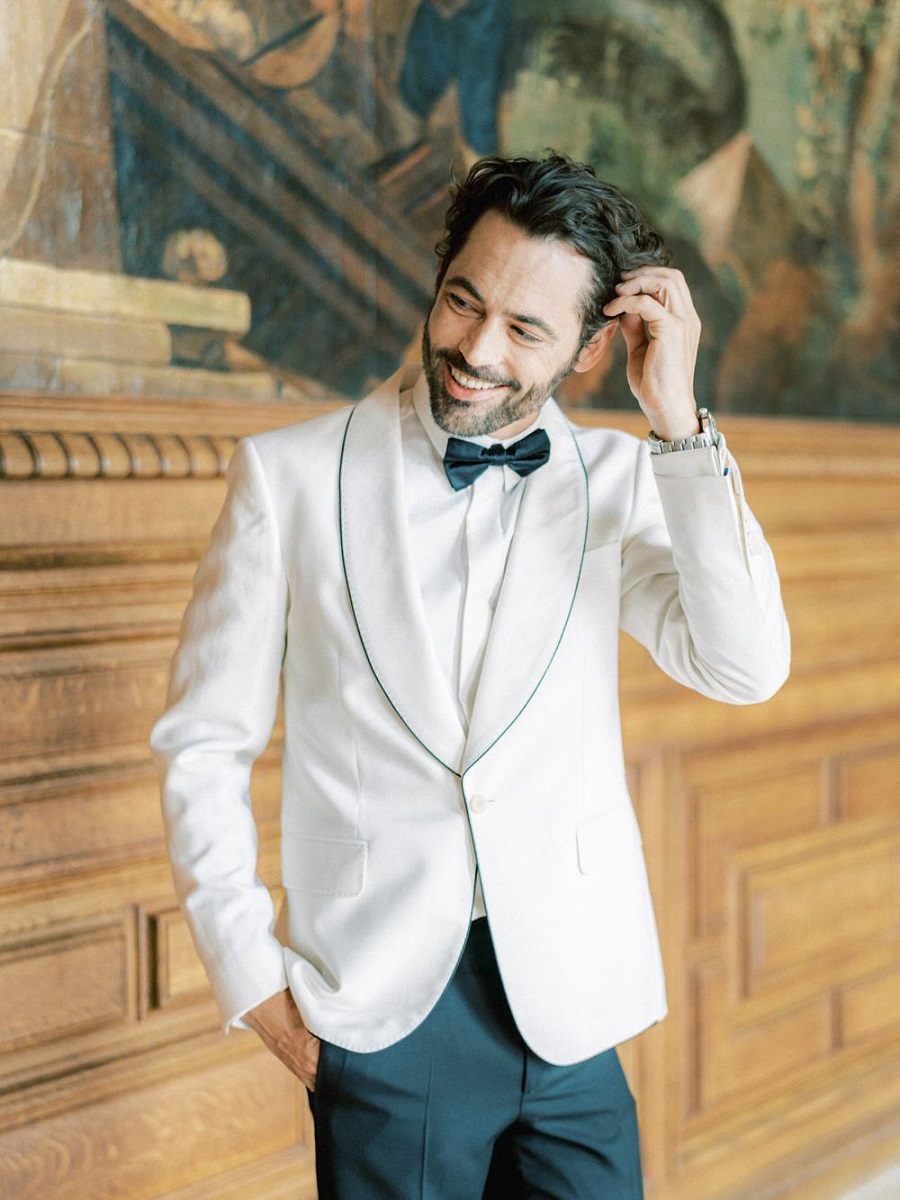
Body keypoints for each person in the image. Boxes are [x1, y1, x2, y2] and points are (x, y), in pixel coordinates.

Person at [151, 153, 790, 1198]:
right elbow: (203, 744)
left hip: (571, 1002)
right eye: (463, 301)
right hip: (382, 1013)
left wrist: (678, 425)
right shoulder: (290, 477)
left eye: (527, 329)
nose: (477, 349)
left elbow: (745, 666)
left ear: (591, 347)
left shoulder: (621, 482)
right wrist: (252, 980)